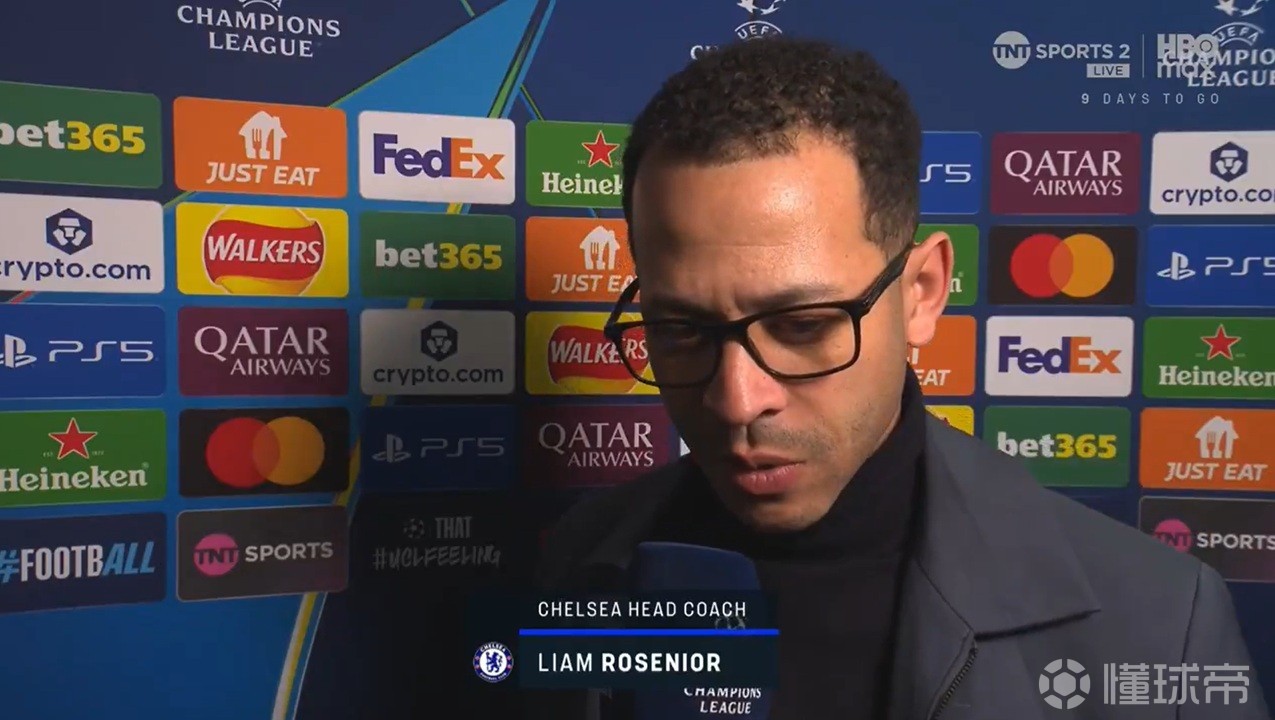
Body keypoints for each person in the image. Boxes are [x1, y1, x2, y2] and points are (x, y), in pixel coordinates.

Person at [530, 37, 1269, 719]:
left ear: (921, 293)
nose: (736, 401)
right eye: (681, 331)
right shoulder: (573, 563)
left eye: (802, 326)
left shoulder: (1162, 621)